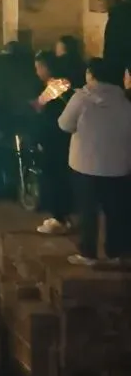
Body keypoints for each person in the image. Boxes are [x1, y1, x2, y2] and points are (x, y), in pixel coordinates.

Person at [59, 56, 131, 265]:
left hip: (84, 164)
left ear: (92, 74)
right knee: (114, 212)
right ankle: (115, 253)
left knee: (87, 211)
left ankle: (88, 253)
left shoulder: (81, 98)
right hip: (117, 166)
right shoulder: (124, 102)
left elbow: (64, 124)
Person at [31, 50, 75, 234]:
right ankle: (62, 216)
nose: (37, 72)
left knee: (55, 179)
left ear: (46, 67)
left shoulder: (55, 89)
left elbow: (49, 118)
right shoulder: (65, 85)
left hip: (54, 142)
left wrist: (39, 139)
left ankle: (59, 219)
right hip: (66, 140)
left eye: (38, 67)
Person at [96, 0, 131, 80]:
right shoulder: (117, 14)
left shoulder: (122, 16)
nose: (99, 4)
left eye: (100, 0)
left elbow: (119, 46)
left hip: (122, 70)